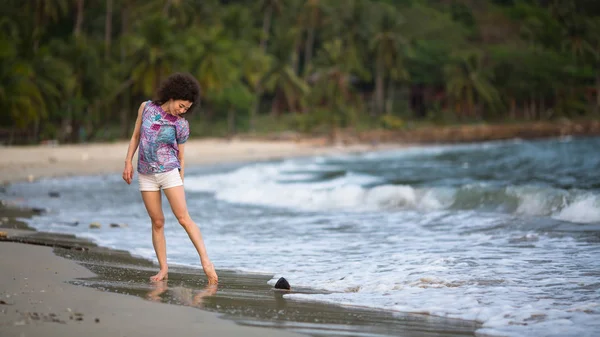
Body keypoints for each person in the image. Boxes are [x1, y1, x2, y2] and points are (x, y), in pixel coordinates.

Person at [122, 72, 218, 285]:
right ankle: (163, 268)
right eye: (182, 105)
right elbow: (136, 136)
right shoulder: (146, 108)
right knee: (157, 222)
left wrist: (180, 179)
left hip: (169, 173)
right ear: (173, 96)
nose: (182, 111)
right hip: (146, 174)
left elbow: (181, 156)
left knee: (183, 218)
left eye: (187, 108)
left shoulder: (181, 125)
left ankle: (206, 262)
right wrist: (128, 161)